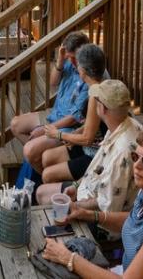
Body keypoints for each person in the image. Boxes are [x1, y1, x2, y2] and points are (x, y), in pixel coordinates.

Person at [41, 128, 143, 279]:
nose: (137, 165)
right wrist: (89, 215)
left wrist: (69, 259)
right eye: (135, 157)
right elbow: (134, 221)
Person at [35, 80, 142, 225]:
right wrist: (76, 186)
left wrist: (76, 206)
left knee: (45, 199)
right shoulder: (124, 124)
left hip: (103, 222)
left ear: (102, 108)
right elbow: (98, 168)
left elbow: (108, 206)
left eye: (96, 100)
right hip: (92, 192)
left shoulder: (121, 152)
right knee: (42, 192)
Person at [8, 32, 91, 169]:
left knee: (29, 149)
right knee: (15, 124)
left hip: (69, 126)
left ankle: (41, 166)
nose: (73, 62)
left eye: (74, 57)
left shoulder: (89, 73)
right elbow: (53, 82)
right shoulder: (70, 63)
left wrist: (45, 130)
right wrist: (60, 62)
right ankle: (38, 163)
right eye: (70, 57)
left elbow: (73, 118)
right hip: (55, 114)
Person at [39, 44, 108, 184]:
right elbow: (92, 125)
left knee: (47, 175)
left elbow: (87, 139)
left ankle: (67, 195)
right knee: (46, 157)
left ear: (82, 70)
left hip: (96, 155)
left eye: (78, 66)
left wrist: (58, 134)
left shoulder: (96, 95)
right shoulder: (97, 86)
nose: (76, 68)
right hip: (89, 146)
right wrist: (75, 133)